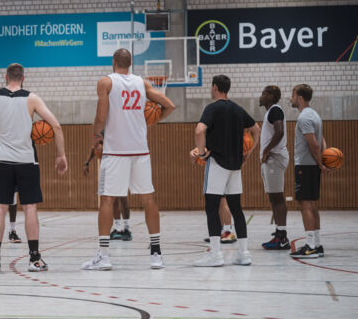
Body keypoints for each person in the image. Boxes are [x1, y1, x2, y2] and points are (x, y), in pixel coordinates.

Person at [82, 48, 175, 271]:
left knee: (107, 200)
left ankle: (104, 256)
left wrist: (97, 138)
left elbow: (101, 116)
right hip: (140, 150)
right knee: (148, 199)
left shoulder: (106, 82)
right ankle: (156, 255)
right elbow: (169, 105)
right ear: (130, 63)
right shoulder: (142, 83)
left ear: (114, 62)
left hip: (115, 151)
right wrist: (152, 121)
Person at [0, 63, 67, 272]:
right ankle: (34, 260)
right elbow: (56, 126)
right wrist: (61, 155)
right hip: (26, 160)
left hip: (2, 159)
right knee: (29, 207)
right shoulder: (32, 98)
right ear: (23, 78)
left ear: (6, 77)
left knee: (0, 207)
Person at [191, 75, 260, 267]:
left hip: (217, 164)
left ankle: (215, 255)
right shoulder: (238, 109)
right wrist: (248, 153)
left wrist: (202, 153)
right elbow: (257, 130)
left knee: (211, 208)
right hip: (235, 166)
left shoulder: (212, 108)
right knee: (237, 209)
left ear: (215, 87)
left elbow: (199, 131)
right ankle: (244, 254)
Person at [289, 84, 327, 258]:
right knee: (311, 204)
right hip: (311, 166)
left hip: (305, 166)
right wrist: (322, 160)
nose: (291, 98)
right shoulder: (315, 115)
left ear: (300, 98)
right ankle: (317, 244)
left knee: (305, 205)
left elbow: (314, 144)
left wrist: (320, 163)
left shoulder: (304, 117)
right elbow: (321, 141)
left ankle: (310, 246)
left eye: (293, 95)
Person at [258, 86, 290, 250]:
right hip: (272, 158)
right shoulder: (271, 111)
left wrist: (266, 150)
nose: (261, 96)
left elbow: (280, 132)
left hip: (275, 158)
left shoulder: (275, 110)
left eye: (263, 93)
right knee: (274, 197)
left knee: (277, 198)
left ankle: (282, 237)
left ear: (271, 96)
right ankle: (279, 232)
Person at [83, 145, 132, 241]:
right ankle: (118, 229)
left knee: (122, 197)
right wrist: (87, 162)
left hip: (121, 164)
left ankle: (126, 228)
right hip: (110, 166)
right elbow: (95, 146)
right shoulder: (104, 134)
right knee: (114, 199)